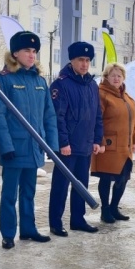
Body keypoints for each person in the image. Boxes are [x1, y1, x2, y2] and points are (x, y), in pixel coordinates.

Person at [0, 31, 59, 249]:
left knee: (29, 192)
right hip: (15, 149)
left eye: (34, 51)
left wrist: (52, 145)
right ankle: (8, 233)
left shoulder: (39, 81)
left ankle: (28, 229)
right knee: (10, 194)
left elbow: (49, 115)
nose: (32, 55)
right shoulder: (3, 80)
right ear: (15, 53)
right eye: (27, 50)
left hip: (34, 147)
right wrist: (5, 146)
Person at [48, 41, 104, 234]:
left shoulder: (92, 85)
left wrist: (97, 140)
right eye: (81, 59)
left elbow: (97, 115)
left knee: (81, 185)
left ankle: (77, 220)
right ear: (71, 60)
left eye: (88, 60)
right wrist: (63, 142)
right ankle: (56, 223)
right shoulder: (61, 84)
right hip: (68, 147)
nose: (85, 64)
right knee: (61, 186)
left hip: (86, 144)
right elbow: (58, 116)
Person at [91, 63, 135, 223]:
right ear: (106, 77)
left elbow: (134, 121)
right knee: (106, 178)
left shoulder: (127, 97)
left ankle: (114, 207)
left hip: (125, 147)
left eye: (119, 75)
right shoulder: (101, 94)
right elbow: (96, 120)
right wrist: (101, 140)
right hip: (109, 146)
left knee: (123, 178)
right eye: (113, 75)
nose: (116, 78)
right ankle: (105, 210)